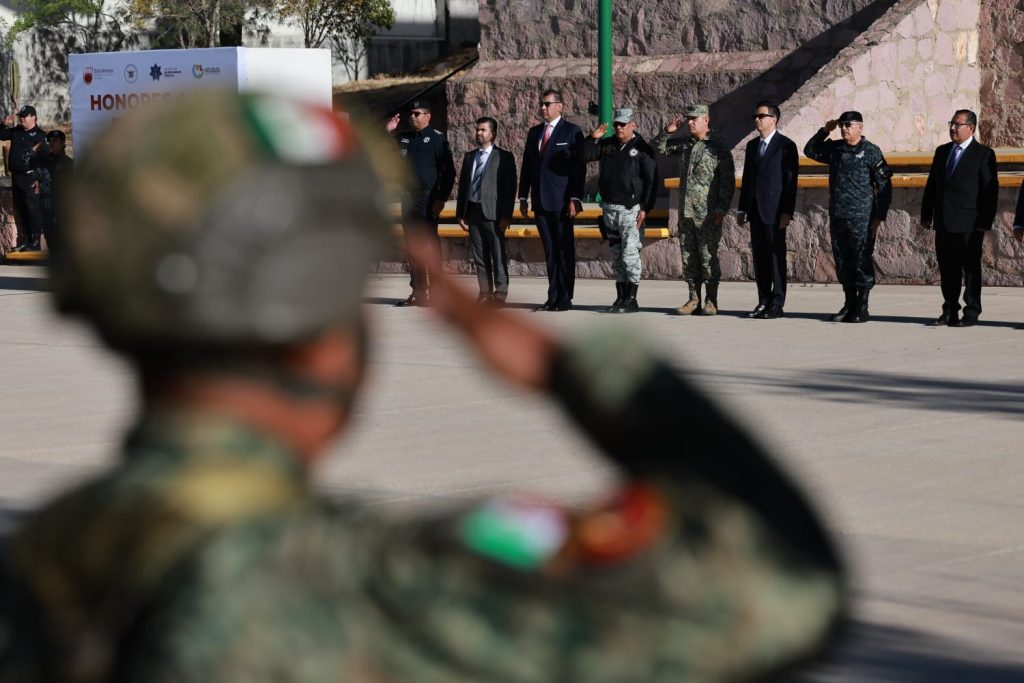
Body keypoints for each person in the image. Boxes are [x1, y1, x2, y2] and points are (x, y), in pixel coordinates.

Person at [0, 91, 847, 683]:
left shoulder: (36, 569)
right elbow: (780, 577)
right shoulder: (374, 591)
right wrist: (576, 368)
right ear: (329, 340)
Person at [804, 111, 892, 323]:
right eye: (842, 125)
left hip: (862, 218)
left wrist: (878, 217)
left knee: (861, 260)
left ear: (860, 127)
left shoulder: (871, 151)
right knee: (843, 261)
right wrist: (825, 130)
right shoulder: (836, 149)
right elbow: (810, 150)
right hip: (839, 216)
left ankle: (862, 306)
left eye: (848, 125)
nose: (844, 129)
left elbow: (885, 185)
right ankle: (849, 303)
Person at [653, 104, 735, 316]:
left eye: (694, 119)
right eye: (688, 119)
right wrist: (667, 132)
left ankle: (711, 300)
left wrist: (722, 208)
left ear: (705, 120)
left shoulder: (717, 146)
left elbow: (727, 180)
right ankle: (693, 299)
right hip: (686, 213)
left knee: (708, 257)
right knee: (689, 258)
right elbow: (657, 148)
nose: (690, 123)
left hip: (707, 213)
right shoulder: (686, 144)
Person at [919, 110, 999, 327]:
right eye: (951, 124)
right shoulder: (942, 151)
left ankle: (971, 312)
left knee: (971, 269)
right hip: (944, 220)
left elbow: (990, 191)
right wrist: (927, 214)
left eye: (957, 124)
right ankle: (949, 310)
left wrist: (984, 222)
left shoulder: (983, 154)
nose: (953, 128)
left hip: (970, 223)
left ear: (970, 128)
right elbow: (932, 185)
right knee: (947, 268)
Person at [577, 107, 658, 313]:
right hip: (609, 209)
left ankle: (632, 299)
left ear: (633, 125)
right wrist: (592, 138)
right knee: (616, 255)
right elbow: (584, 155)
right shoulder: (608, 144)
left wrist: (645, 208)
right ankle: (621, 296)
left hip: (630, 210)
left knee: (630, 254)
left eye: (623, 124)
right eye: (617, 124)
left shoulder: (641, 148)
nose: (619, 128)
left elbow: (651, 180)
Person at [518, 89, 585, 312]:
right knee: (549, 250)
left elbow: (578, 168)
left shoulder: (571, 131)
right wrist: (523, 195)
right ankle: (553, 294)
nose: (543, 108)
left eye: (547, 104)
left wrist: (575, 197)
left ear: (560, 106)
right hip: (540, 201)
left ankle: (565, 297)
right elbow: (527, 165)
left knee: (564, 250)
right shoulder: (534, 132)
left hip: (562, 200)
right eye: (542, 104)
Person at [385, 99, 455, 307]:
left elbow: (448, 172)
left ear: (428, 116)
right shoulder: (405, 138)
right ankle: (418, 291)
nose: (413, 117)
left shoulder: (437, 139)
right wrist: (388, 131)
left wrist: (441, 198)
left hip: (428, 198)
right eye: (411, 114)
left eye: (417, 114)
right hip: (408, 197)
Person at [738, 101, 799, 319]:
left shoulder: (786, 146)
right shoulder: (753, 146)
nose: (757, 119)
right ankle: (763, 301)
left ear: (774, 119)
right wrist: (742, 208)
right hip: (755, 210)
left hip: (775, 211)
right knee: (760, 258)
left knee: (775, 257)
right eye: (755, 116)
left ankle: (777, 303)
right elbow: (747, 179)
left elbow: (790, 182)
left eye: (761, 116)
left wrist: (787, 212)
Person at [455, 116, 518, 305]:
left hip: (494, 214)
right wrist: (460, 213)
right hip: (473, 212)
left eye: (483, 130)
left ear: (493, 134)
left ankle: (500, 293)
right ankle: (484, 293)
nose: (479, 133)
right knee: (480, 256)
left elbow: (509, 189)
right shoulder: (469, 157)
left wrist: (506, 215)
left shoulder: (504, 157)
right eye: (477, 130)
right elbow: (463, 186)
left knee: (497, 255)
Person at [0, 105, 49, 252]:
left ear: (33, 117)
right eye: (20, 116)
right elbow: (1, 135)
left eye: (25, 116)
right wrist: (4, 123)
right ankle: (26, 240)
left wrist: (39, 178)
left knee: (32, 209)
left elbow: (45, 159)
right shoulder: (16, 131)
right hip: (17, 177)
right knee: (21, 209)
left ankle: (35, 242)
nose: (22, 119)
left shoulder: (40, 135)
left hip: (30, 177)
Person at [42, 130, 74, 256]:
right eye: (49, 141)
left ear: (62, 143)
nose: (51, 144)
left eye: (55, 141)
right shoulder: (43, 161)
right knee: (49, 234)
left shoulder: (68, 163)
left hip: (62, 205)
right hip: (46, 204)